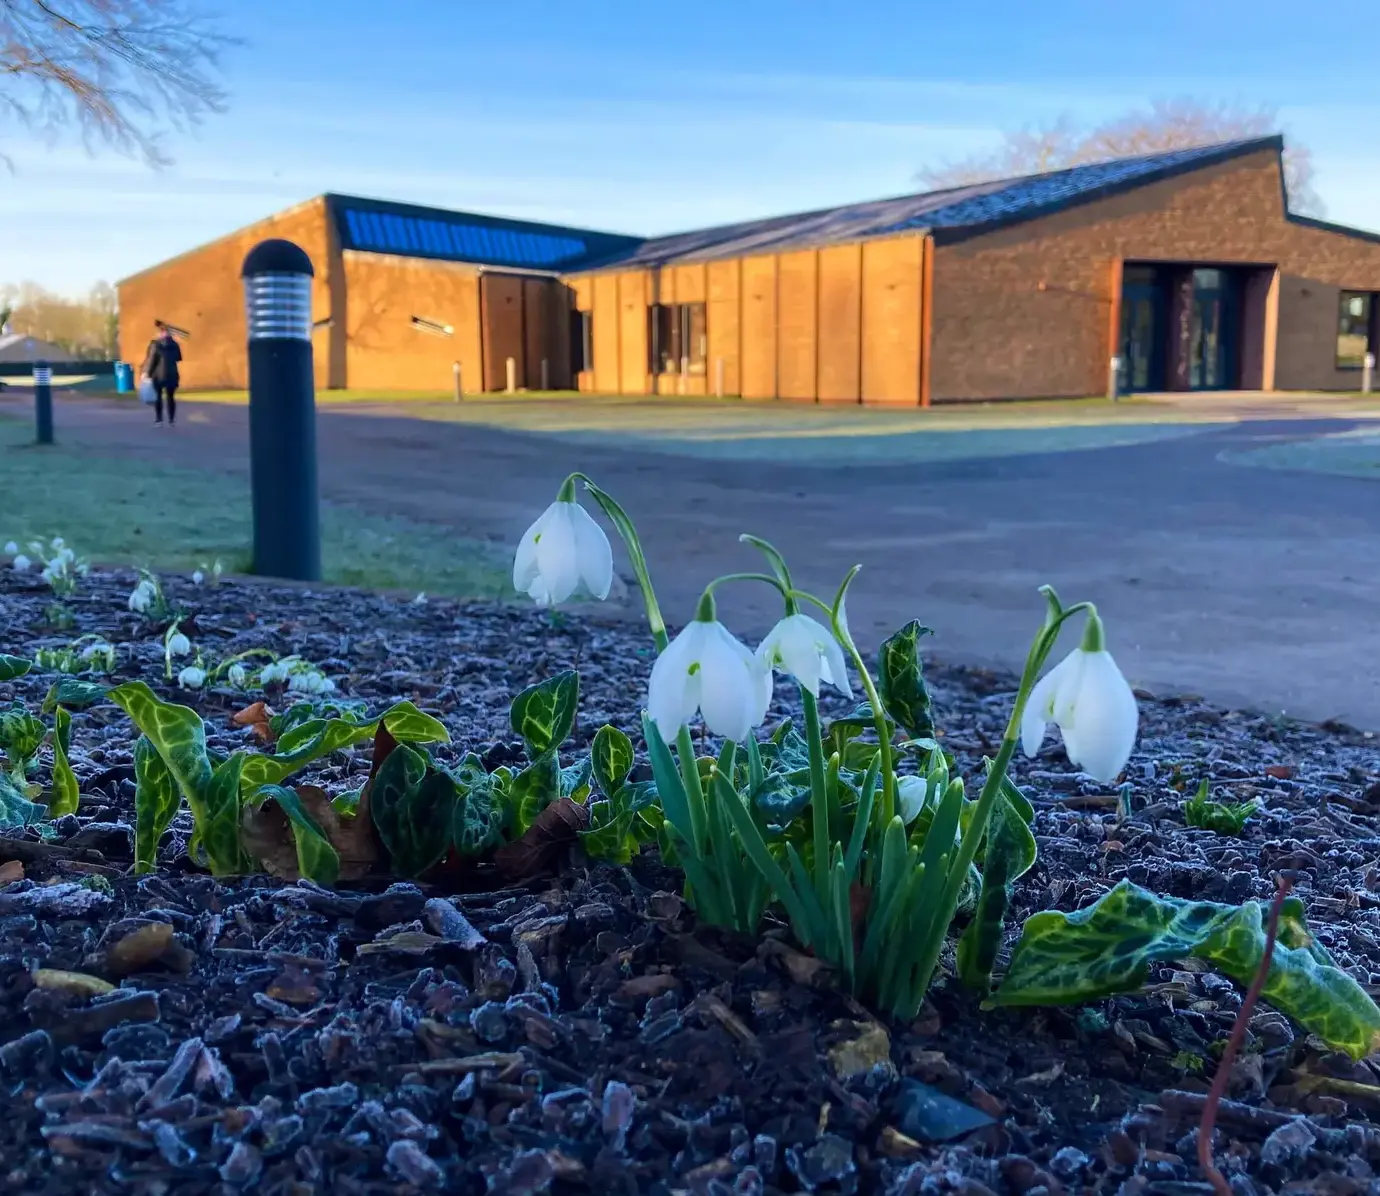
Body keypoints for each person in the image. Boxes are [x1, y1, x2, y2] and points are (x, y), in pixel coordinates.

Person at [141, 321, 183, 425]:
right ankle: (171, 420)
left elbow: (152, 360)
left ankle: (159, 420)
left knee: (158, 397)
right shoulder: (175, 345)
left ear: (161, 333)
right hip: (172, 374)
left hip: (158, 375)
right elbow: (178, 358)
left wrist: (146, 373)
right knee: (170, 397)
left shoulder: (156, 344)